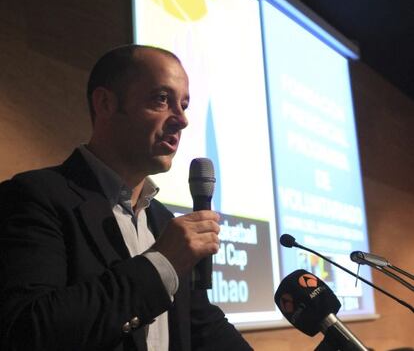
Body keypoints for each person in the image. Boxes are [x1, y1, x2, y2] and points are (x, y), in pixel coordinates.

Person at [0, 45, 253, 351]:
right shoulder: (35, 196)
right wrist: (161, 264)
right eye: (162, 99)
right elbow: (27, 330)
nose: (182, 119)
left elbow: (200, 325)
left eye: (184, 105)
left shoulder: (162, 221)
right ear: (105, 103)